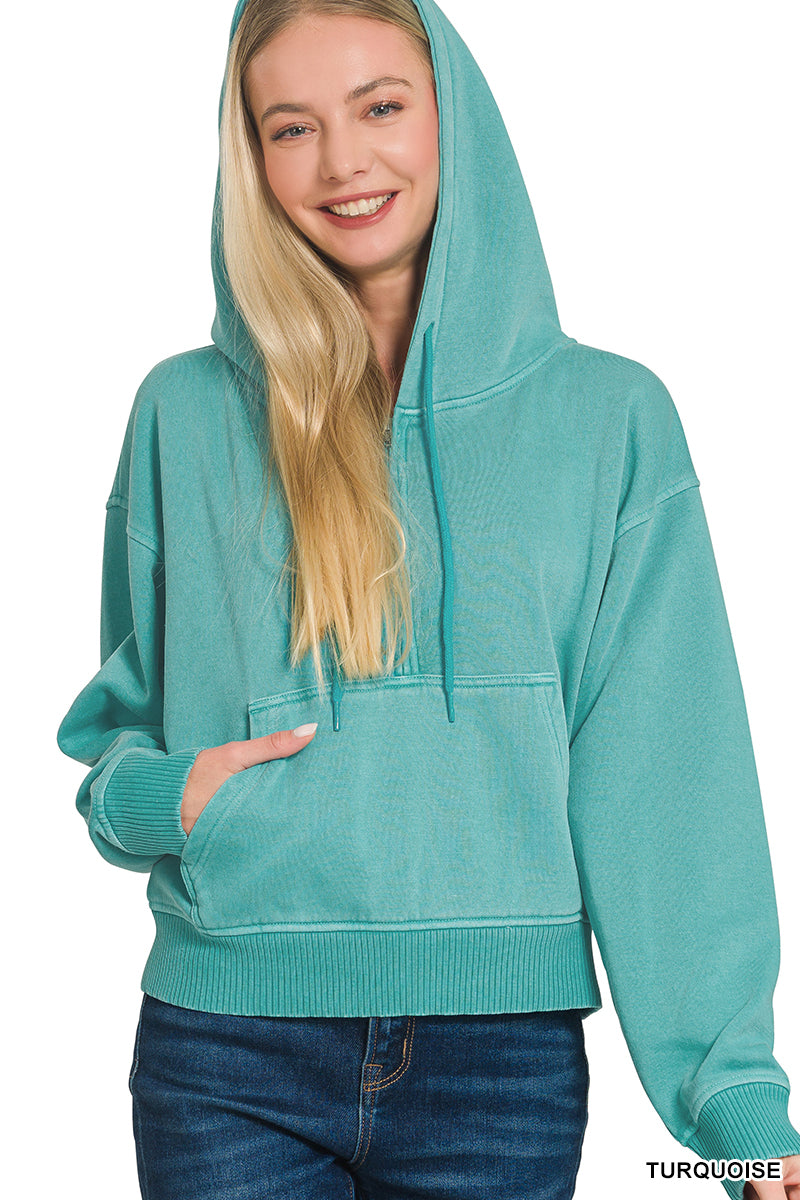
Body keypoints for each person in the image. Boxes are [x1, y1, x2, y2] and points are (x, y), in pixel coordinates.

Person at [55, 1, 800, 1198]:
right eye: (291, 127)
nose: (342, 161)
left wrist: (734, 1105)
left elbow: (666, 780)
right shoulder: (183, 413)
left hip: (497, 1068)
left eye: (380, 107)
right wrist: (163, 797)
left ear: (455, 112)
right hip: (225, 1050)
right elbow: (119, 736)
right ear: (250, 158)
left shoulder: (608, 419)